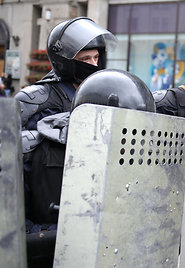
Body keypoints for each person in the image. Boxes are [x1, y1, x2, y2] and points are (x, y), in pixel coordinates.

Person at [14, 17, 116, 267]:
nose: (93, 64)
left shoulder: (102, 94)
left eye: (95, 58)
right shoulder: (34, 99)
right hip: (43, 206)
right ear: (66, 61)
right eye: (84, 60)